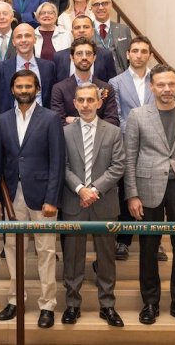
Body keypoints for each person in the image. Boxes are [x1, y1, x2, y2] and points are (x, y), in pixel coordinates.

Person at [125, 63, 175, 326]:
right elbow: (130, 157)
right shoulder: (138, 115)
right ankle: (150, 302)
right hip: (148, 187)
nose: (167, 89)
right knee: (149, 246)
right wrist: (132, 195)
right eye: (161, 84)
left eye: (171, 84)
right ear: (152, 87)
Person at [0, 68, 64, 327]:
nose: (23, 90)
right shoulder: (3, 119)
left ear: (37, 89)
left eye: (28, 86)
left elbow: (57, 162)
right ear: (12, 90)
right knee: (12, 249)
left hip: (43, 198)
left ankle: (48, 305)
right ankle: (15, 300)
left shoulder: (51, 118)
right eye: (19, 86)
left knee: (46, 251)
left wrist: (52, 199)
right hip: (11, 198)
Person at [59, 82, 126, 327]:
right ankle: (72, 304)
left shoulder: (113, 132)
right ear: (74, 103)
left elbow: (118, 166)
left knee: (106, 258)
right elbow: (62, 166)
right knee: (72, 258)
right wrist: (80, 189)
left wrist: (94, 190)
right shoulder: (64, 133)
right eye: (81, 100)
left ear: (99, 102)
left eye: (90, 100)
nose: (86, 105)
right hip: (74, 201)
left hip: (104, 203)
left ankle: (107, 305)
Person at [107, 37, 165, 262]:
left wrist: (149, 133)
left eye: (143, 51)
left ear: (150, 55)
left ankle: (155, 242)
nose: (139, 55)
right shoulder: (116, 82)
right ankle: (123, 240)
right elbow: (116, 114)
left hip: (155, 147)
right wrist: (135, 133)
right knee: (126, 192)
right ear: (128, 54)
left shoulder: (159, 80)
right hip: (125, 145)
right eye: (135, 51)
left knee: (154, 195)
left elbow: (163, 110)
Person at [0, 24, 58, 132]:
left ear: (35, 39)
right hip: (11, 129)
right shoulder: (0, 68)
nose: (23, 40)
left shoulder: (49, 67)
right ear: (13, 42)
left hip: (43, 127)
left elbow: (53, 99)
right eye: (19, 37)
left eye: (27, 35)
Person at [50, 38, 120, 126]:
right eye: (79, 53)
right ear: (72, 57)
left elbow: (113, 121)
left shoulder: (106, 88)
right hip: (71, 135)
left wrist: (76, 120)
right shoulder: (59, 89)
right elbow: (58, 122)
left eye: (88, 53)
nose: (84, 57)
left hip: (100, 135)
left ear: (94, 58)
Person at [53, 15, 118, 82]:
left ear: (92, 31)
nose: (81, 30)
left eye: (86, 27)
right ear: (72, 32)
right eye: (77, 27)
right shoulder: (59, 57)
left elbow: (111, 83)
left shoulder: (106, 55)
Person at [91, 0, 132, 73]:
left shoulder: (124, 29)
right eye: (96, 4)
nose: (101, 7)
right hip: (96, 76)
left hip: (120, 75)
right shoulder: (86, 29)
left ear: (111, 6)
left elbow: (131, 55)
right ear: (91, 8)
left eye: (104, 3)